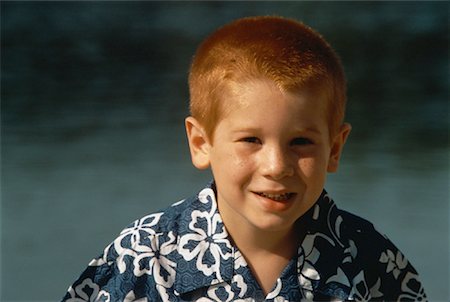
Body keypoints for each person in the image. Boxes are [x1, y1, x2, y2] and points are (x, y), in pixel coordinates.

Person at [62, 16, 427, 301]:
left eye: (300, 142)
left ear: (334, 148)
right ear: (201, 142)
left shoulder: (369, 259)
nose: (276, 165)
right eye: (251, 140)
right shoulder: (144, 257)